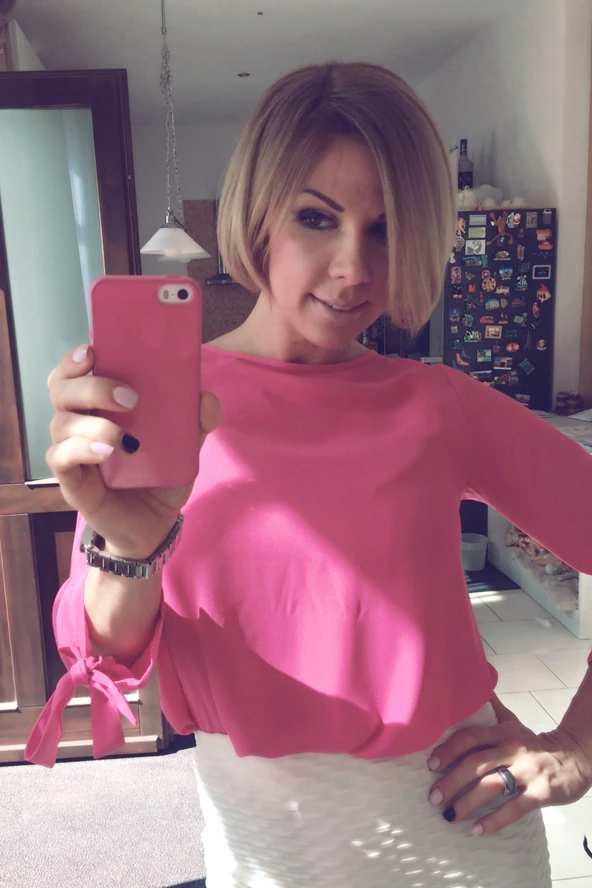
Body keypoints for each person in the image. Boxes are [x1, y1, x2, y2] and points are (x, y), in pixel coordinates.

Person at [25, 62, 592, 888]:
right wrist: (129, 545)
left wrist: (575, 747)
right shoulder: (160, 408)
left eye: (385, 229)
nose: (353, 267)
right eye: (317, 218)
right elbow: (107, 653)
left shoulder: (439, 405)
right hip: (265, 850)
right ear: (259, 216)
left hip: (462, 838)